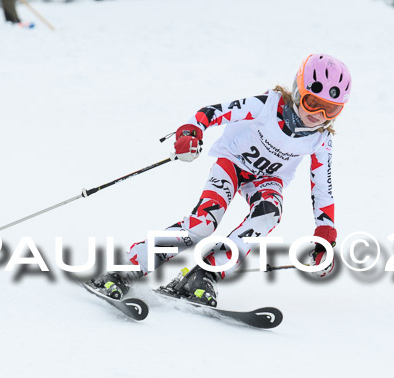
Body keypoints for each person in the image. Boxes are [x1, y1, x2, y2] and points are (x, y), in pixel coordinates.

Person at [90, 54, 351, 307]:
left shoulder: (321, 139)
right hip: (233, 164)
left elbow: (322, 189)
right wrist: (192, 131)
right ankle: (125, 268)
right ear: (297, 91)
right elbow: (213, 112)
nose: (318, 114)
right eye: (311, 102)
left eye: (330, 109)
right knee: (203, 225)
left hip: (268, 179)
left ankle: (205, 273)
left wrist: (325, 234)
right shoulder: (266, 107)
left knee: (269, 214)